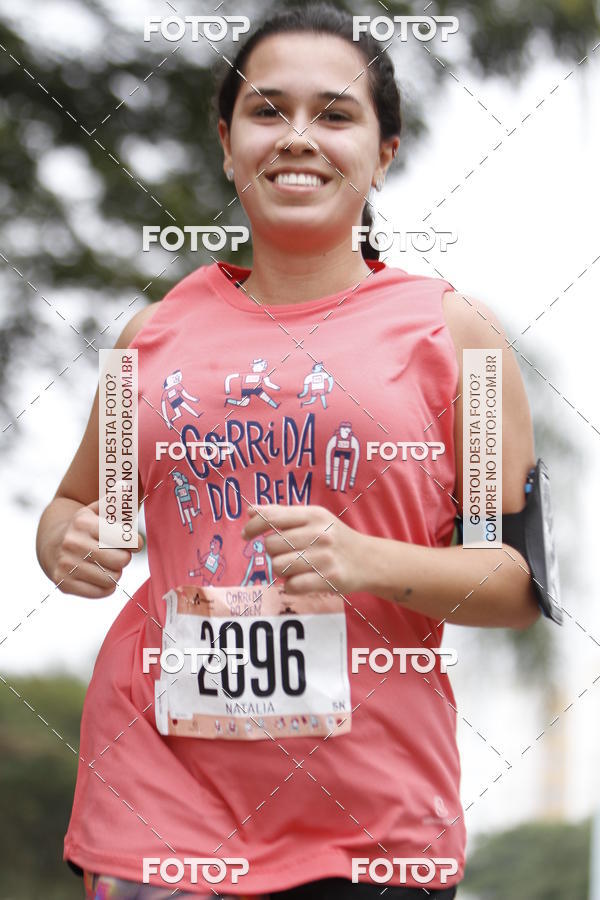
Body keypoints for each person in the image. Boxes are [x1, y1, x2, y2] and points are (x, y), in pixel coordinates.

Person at [35, 3, 542, 898]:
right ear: (227, 143)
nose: (299, 137)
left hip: (371, 830)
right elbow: (87, 510)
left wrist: (361, 559)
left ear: (383, 153)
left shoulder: (466, 337)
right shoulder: (147, 337)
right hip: (156, 805)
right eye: (268, 112)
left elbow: (515, 584)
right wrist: (67, 544)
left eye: (336, 115)